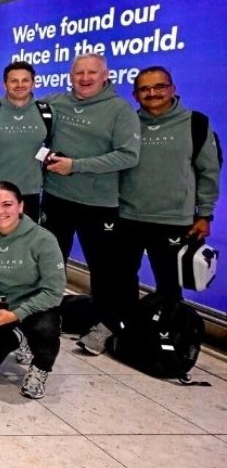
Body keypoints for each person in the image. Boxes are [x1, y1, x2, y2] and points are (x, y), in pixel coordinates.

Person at [38, 54, 140, 355]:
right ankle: (46, 318)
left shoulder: (120, 111)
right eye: (79, 72)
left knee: (105, 270)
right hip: (56, 198)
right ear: (70, 75)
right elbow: (22, 111)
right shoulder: (55, 102)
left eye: (91, 72)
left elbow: (128, 155)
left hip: (99, 205)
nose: (84, 78)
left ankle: (104, 327)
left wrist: (76, 165)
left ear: (105, 75)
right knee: (50, 263)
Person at [112, 67, 220, 329]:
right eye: (144, 89)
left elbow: (209, 172)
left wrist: (204, 215)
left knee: (170, 284)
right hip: (127, 216)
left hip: (174, 220)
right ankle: (123, 329)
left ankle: (167, 336)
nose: (153, 93)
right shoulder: (126, 124)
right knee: (121, 279)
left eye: (159, 86)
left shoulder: (196, 123)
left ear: (172, 88)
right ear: (135, 95)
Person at [0, 181, 66, 399]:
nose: (0, 211)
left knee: (45, 328)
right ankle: (18, 336)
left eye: (7, 204)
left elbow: (54, 291)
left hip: (34, 307)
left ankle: (40, 368)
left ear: (21, 206)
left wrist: (16, 314)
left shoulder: (43, 240)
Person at [0, 61, 52, 222]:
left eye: (25, 80)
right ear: (4, 85)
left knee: (27, 244)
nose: (20, 85)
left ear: (34, 83)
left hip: (29, 193)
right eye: (14, 81)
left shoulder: (46, 112)